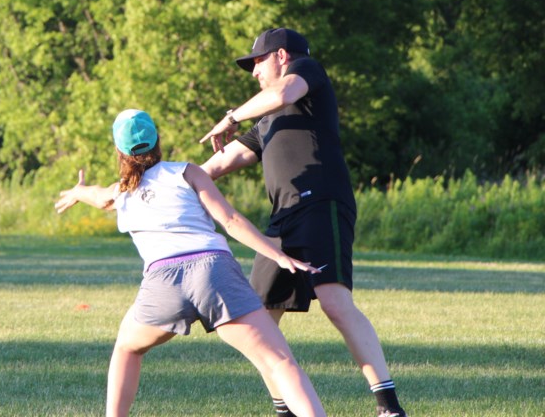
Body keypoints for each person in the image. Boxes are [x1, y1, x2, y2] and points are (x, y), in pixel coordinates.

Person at [55, 109, 327, 417]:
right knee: (279, 362)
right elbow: (230, 220)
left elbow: (100, 196)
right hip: (214, 272)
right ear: (157, 142)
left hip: (163, 283)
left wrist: (79, 191)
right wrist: (278, 255)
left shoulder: (122, 192)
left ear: (120, 152)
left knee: (127, 349)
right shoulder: (187, 172)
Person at [199, 27, 408, 417]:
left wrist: (229, 116)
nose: (254, 72)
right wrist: (153, 182)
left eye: (258, 62)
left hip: (320, 202)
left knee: (333, 300)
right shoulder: (267, 120)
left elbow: (280, 93)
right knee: (259, 318)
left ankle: (389, 407)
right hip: (282, 220)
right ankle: (286, 409)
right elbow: (218, 164)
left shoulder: (307, 72)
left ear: (281, 56)